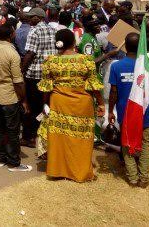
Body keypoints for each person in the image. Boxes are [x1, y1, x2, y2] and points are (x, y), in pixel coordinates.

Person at [38, 29, 104, 182]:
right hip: (82, 104)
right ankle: (79, 172)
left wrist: (44, 104)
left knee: (60, 138)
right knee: (81, 138)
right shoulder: (86, 61)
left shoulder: (51, 61)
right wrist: (101, 105)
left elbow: (46, 87)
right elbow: (94, 87)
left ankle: (57, 170)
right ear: (74, 43)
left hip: (59, 103)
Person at [108, 32, 149, 187]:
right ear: (141, 47)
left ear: (125, 46)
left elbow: (114, 92)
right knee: (145, 144)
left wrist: (111, 111)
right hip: (144, 113)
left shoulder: (116, 66)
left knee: (126, 144)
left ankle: (132, 178)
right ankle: (144, 178)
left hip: (125, 112)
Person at [0, 23, 30, 171]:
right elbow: (18, 81)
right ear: (11, 35)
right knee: (12, 130)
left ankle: (1, 158)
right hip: (9, 97)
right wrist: (23, 100)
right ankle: (14, 162)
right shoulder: (12, 53)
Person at [21, 7, 57, 147]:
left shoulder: (34, 31)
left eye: (31, 17)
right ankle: (43, 134)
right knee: (45, 105)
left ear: (39, 18)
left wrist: (21, 71)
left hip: (34, 75)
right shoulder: (54, 31)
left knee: (31, 107)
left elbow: (30, 54)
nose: (29, 19)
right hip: (49, 75)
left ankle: (29, 137)